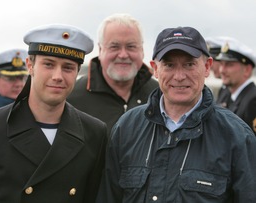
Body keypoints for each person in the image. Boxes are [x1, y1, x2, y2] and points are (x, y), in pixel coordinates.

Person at [96, 26, 256, 203]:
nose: (179, 76)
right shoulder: (127, 128)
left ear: (207, 67)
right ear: (155, 69)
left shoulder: (237, 136)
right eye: (169, 65)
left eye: (189, 64)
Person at [0, 24, 107, 203]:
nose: (58, 76)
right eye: (48, 64)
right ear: (30, 66)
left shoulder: (95, 132)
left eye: (68, 67)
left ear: (77, 72)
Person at [67, 13, 158, 135]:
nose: (123, 55)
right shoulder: (72, 97)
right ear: (100, 50)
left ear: (142, 50)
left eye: (131, 46)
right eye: (114, 47)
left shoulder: (159, 95)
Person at [216, 37, 256, 135]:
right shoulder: (229, 95)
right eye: (221, 64)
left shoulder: (253, 101)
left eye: (229, 65)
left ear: (247, 70)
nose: (222, 70)